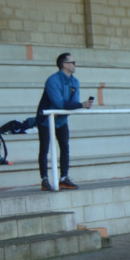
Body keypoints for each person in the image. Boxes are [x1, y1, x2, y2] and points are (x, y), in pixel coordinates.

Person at [36, 52, 93, 191]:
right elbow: (60, 103)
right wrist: (81, 105)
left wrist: (78, 105)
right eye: (73, 62)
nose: (75, 65)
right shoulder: (52, 80)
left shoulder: (75, 81)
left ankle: (63, 178)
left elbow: (72, 103)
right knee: (44, 149)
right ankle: (44, 179)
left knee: (65, 147)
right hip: (46, 119)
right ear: (65, 65)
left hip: (61, 119)